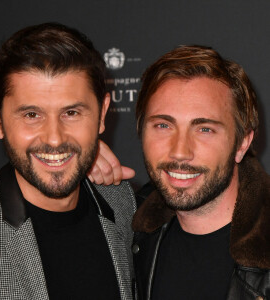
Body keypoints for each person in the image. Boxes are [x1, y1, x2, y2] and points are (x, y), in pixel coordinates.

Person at [0, 23, 136, 300]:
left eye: (71, 112)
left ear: (102, 113)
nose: (55, 138)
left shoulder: (123, 206)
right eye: (32, 115)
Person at [93, 45, 270, 299]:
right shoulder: (129, 225)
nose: (179, 151)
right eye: (163, 125)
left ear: (242, 144)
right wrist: (76, 159)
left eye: (204, 129)